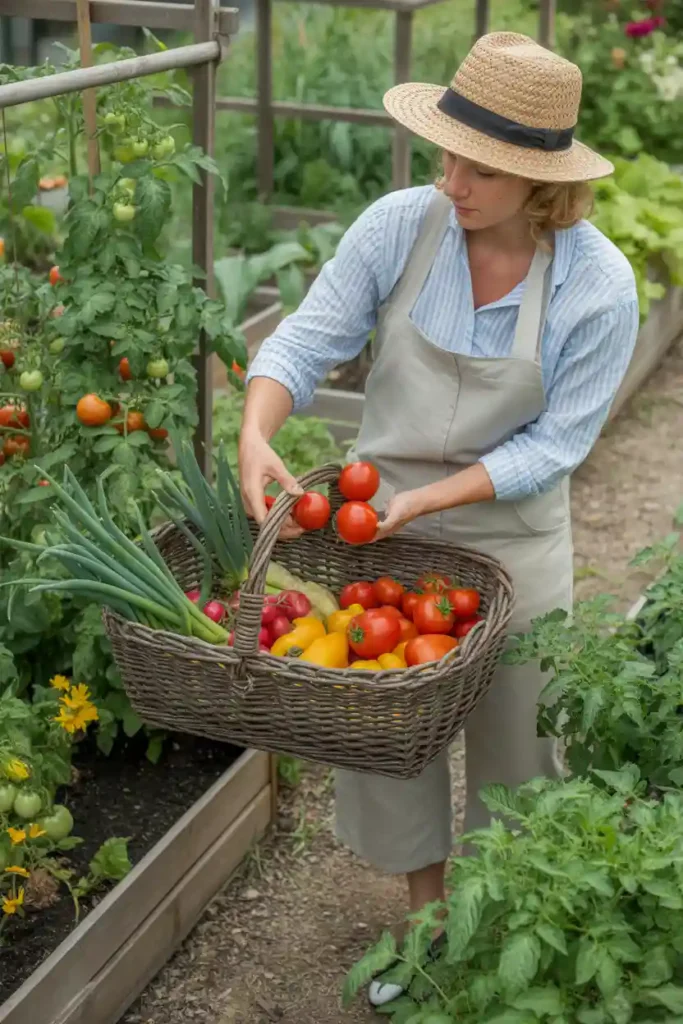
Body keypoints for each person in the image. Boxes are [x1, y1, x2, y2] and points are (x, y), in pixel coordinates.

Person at [238, 31, 639, 1008]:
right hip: (389, 537)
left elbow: (552, 446)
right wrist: (256, 432)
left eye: (478, 167)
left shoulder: (596, 284)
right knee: (392, 733)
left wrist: (423, 494)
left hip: (508, 535)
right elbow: (308, 336)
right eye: (445, 154)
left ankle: (498, 936)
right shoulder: (399, 226)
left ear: (539, 181)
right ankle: (424, 927)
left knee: (519, 738)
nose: (449, 179)